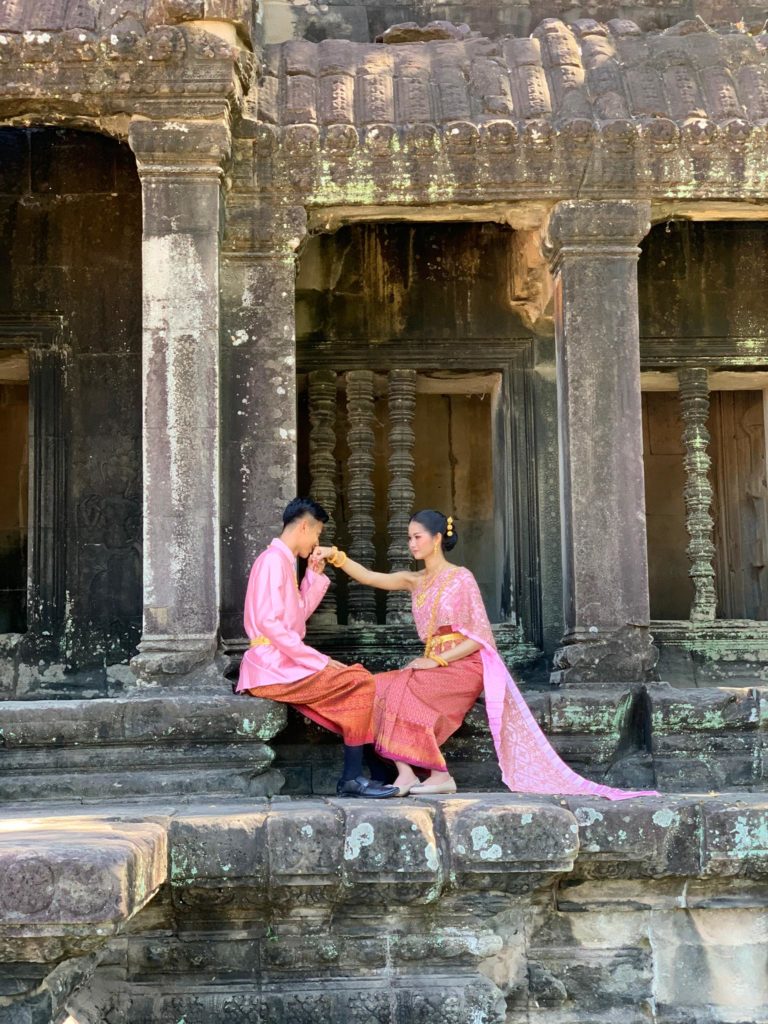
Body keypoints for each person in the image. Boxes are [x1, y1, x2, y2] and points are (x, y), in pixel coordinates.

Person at [314, 510, 657, 800]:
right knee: (381, 686)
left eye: (417, 537)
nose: (412, 543)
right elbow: (371, 577)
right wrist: (335, 556)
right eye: (409, 538)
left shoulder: (460, 578)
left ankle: (439, 774)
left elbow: (481, 637)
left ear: (437, 538)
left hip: (463, 665)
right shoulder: (414, 579)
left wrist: (438, 660)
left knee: (401, 685)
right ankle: (407, 773)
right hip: (434, 665)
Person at [237, 497, 397, 799]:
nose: (316, 541)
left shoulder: (282, 561)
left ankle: (374, 770)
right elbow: (270, 624)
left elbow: (295, 616)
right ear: (305, 526)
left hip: (279, 661)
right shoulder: (272, 560)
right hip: (269, 664)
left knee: (358, 681)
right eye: (317, 533)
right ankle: (357, 775)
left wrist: (313, 576)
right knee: (360, 681)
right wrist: (318, 660)